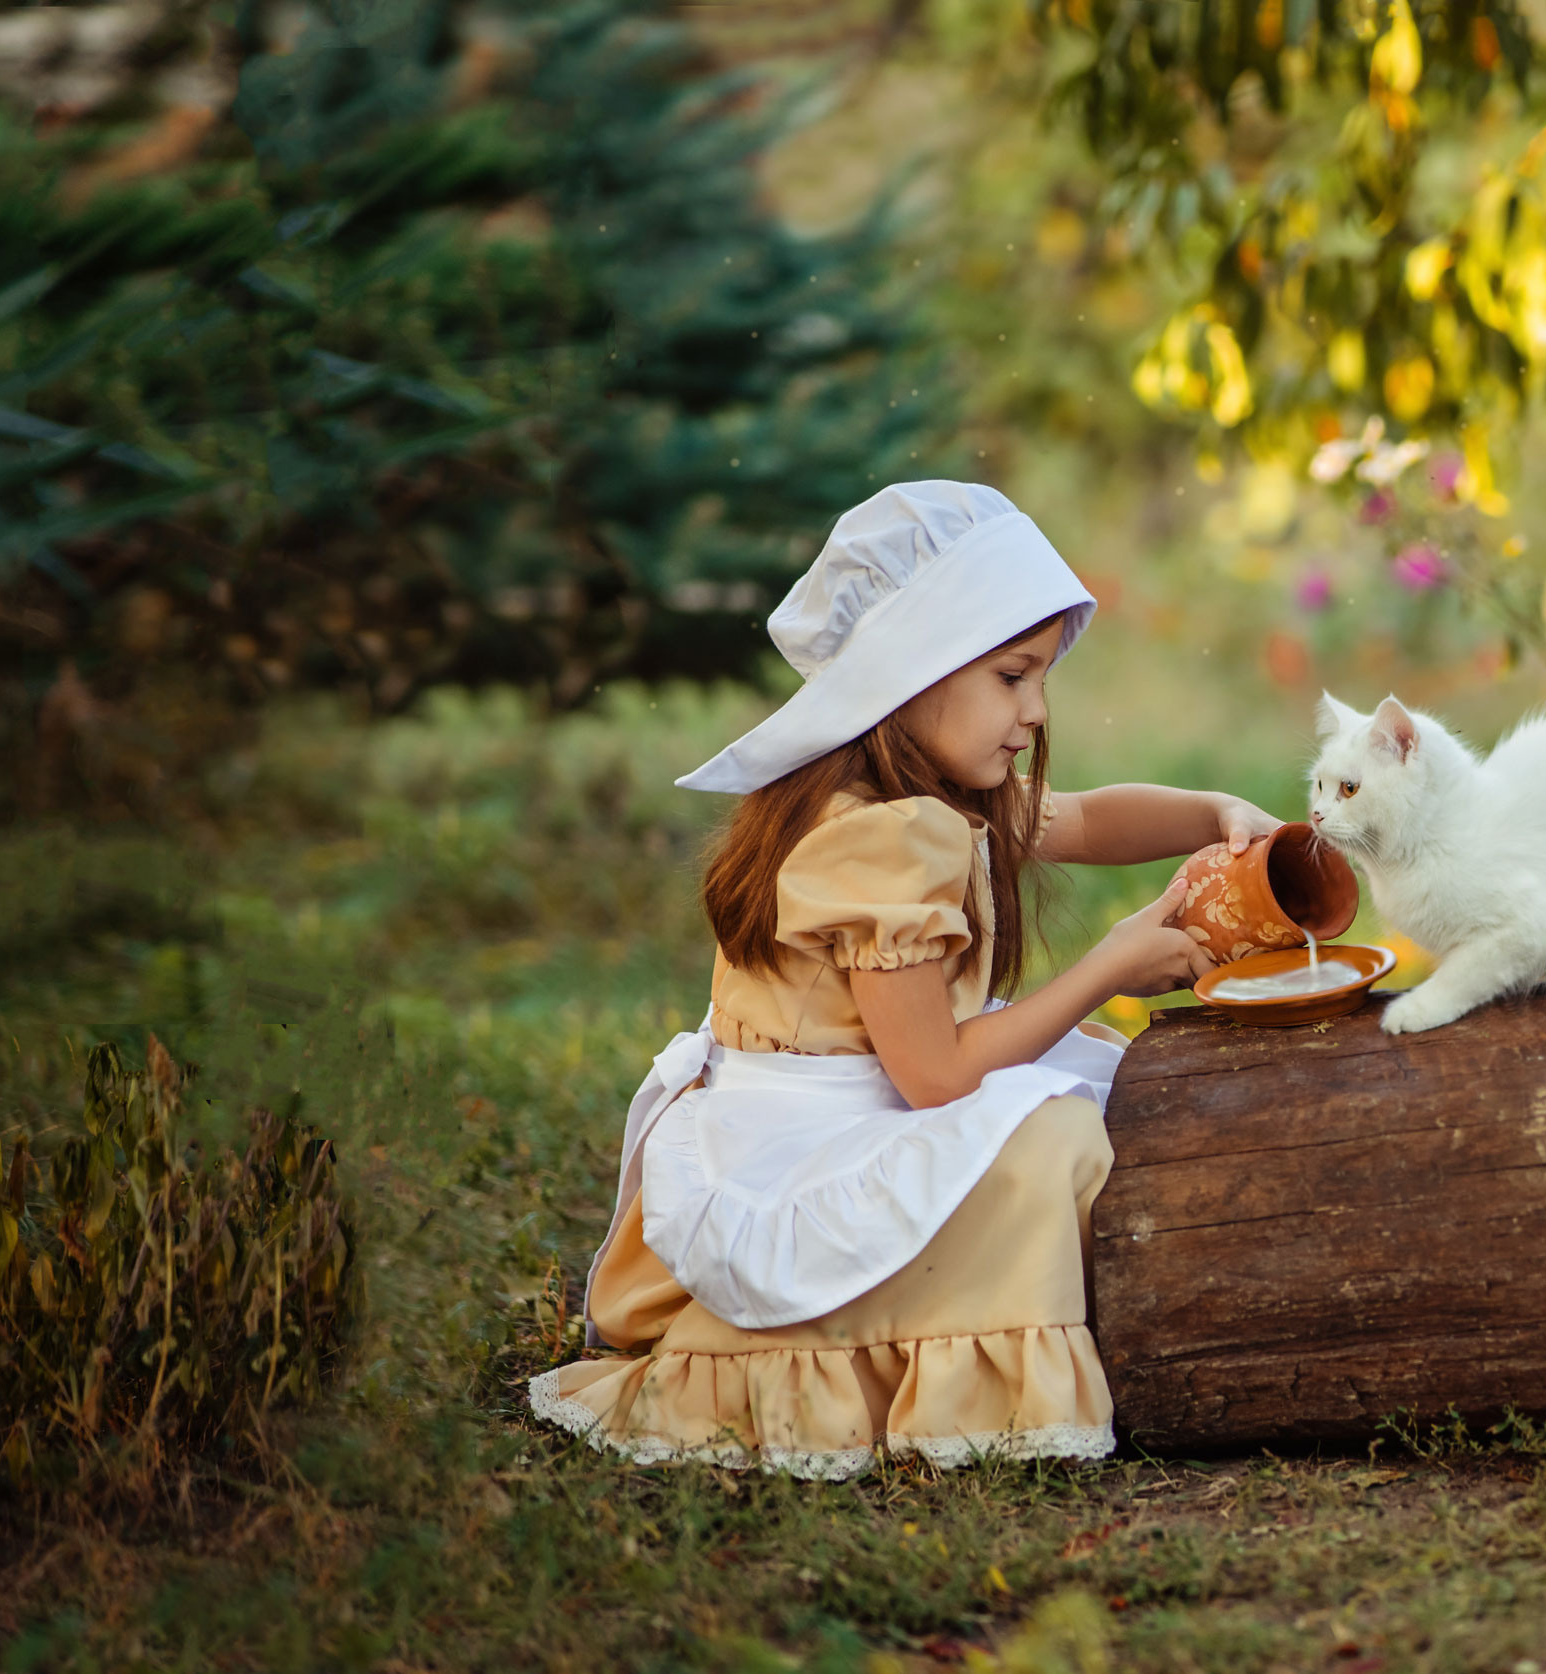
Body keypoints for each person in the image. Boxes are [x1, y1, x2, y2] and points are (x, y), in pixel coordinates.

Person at [528, 481, 1275, 1478]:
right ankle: (950, 1364)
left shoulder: (911, 786)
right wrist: (1112, 965)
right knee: (1048, 1133)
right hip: (806, 1135)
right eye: (1013, 675)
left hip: (871, 1089)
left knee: (1087, 1080)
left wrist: (1212, 812)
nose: (1035, 710)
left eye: (1040, 677)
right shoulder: (879, 834)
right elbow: (932, 1078)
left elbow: (1085, 820)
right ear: (916, 669)